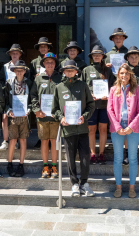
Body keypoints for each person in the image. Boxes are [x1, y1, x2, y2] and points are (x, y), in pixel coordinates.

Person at [52, 60, 95, 197]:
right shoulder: (59, 87)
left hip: (82, 128)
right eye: (67, 70)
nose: (69, 72)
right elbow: (55, 109)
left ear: (76, 71)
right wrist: (61, 118)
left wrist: (85, 116)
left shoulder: (83, 86)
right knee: (70, 158)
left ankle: (84, 183)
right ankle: (74, 184)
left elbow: (91, 105)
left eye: (72, 70)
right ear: (63, 72)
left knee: (85, 157)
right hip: (68, 129)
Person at [107, 64, 139, 198]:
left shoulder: (138, 89)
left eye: (127, 73)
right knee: (118, 158)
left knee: (133, 158)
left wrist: (132, 126)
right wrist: (117, 126)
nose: (124, 76)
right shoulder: (113, 90)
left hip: (133, 128)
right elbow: (109, 109)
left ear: (131, 75)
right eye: (122, 73)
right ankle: (118, 187)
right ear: (118, 75)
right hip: (117, 128)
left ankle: (132, 187)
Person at [81, 45, 115, 165]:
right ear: (91, 56)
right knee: (91, 129)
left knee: (103, 129)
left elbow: (113, 87)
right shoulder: (86, 70)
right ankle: (92, 153)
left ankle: (101, 153)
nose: (96, 56)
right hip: (91, 105)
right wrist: (90, 95)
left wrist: (109, 95)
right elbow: (82, 87)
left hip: (104, 105)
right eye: (94, 54)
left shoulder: (108, 70)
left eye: (99, 54)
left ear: (102, 56)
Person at [30, 52, 61, 178]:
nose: (50, 64)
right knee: (44, 141)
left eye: (52, 62)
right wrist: (36, 110)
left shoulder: (60, 78)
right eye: (47, 62)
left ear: (55, 64)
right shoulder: (38, 78)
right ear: (43, 64)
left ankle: (54, 166)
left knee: (54, 141)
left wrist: (59, 112)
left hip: (55, 116)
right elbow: (33, 96)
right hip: (41, 116)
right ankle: (45, 166)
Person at [4, 60, 32, 177]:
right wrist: (8, 111)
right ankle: (9, 164)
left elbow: (33, 99)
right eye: (17, 70)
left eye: (21, 70)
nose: (19, 72)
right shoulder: (9, 83)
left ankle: (21, 165)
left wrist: (29, 109)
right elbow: (4, 101)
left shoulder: (30, 83)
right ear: (14, 71)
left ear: (25, 71)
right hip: (13, 117)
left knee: (23, 140)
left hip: (25, 117)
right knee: (12, 140)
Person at [0, 44, 28, 150]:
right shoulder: (5, 67)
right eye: (13, 53)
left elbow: (28, 81)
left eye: (16, 53)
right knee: (5, 117)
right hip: (8, 95)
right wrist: (5, 85)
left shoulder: (24, 66)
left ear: (20, 54)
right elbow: (0, 81)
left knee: (20, 117)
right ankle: (6, 141)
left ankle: (17, 141)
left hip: (21, 97)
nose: (14, 54)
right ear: (10, 54)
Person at [29, 37, 52, 148]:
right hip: (39, 91)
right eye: (41, 47)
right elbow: (29, 78)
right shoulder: (34, 62)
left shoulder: (52, 60)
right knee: (39, 116)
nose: (43, 48)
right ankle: (40, 138)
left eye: (45, 46)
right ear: (38, 49)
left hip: (50, 92)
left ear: (48, 48)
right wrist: (34, 77)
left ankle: (51, 140)